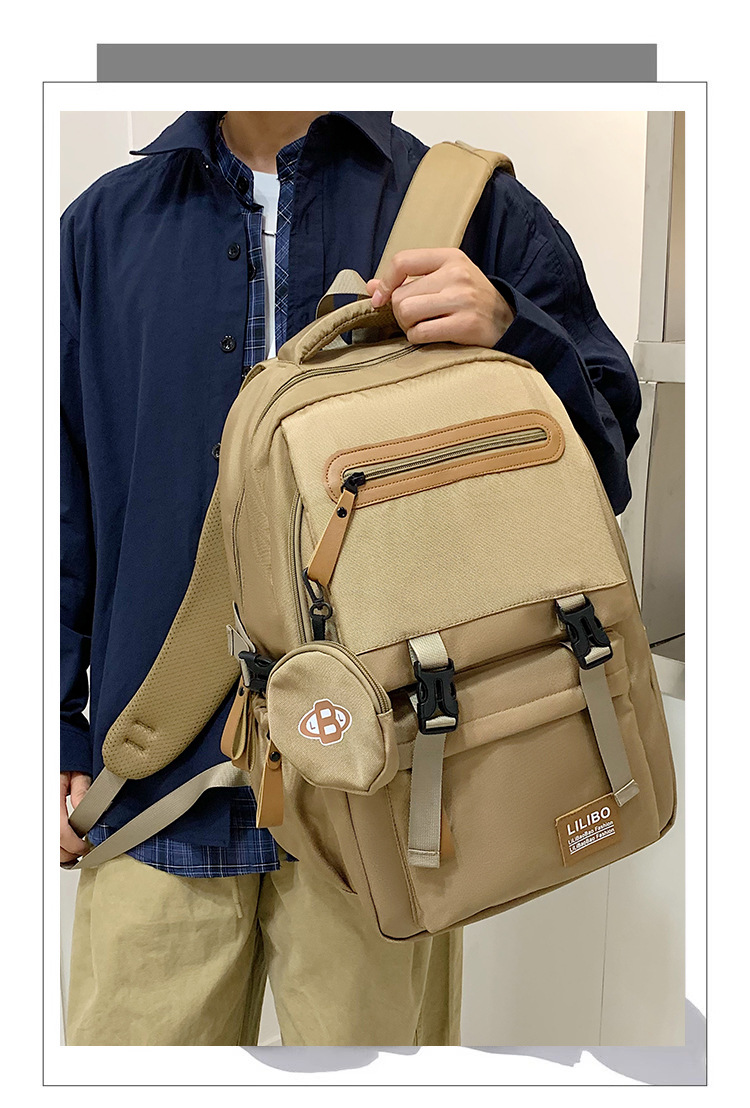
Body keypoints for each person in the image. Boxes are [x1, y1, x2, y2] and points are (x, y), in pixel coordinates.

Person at [60, 111, 641, 1047]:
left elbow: (600, 462)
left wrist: (514, 332)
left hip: (399, 783)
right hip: (155, 783)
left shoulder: (469, 207)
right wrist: (50, 723)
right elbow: (54, 498)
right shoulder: (98, 229)